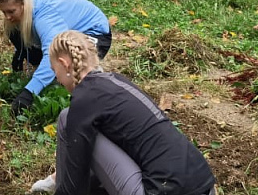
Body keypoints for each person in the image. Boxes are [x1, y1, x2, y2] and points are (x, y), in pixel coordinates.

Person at [30, 30, 217, 195]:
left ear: (65, 64)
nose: (58, 80)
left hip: (162, 190)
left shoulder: (84, 100)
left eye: (56, 72)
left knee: (65, 118)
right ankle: (58, 180)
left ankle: (58, 182)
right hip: (204, 184)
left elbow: (75, 180)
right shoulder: (116, 82)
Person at [0, 0, 111, 116]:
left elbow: (52, 55)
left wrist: (28, 93)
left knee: (71, 68)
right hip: (67, 31)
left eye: (11, 11)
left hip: (95, 32)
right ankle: (48, 79)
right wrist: (21, 52)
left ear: (23, 3)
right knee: (14, 29)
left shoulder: (45, 19)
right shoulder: (27, 3)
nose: (7, 16)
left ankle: (95, 92)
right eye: (3, 12)